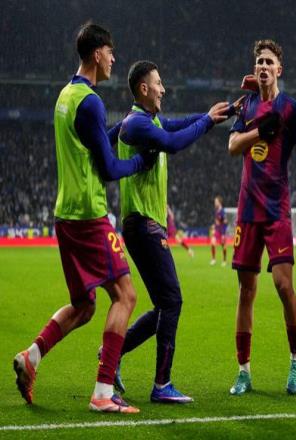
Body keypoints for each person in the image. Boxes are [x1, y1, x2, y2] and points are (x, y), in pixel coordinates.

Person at [14, 23, 155, 414]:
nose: (114, 59)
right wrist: (139, 162)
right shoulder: (91, 101)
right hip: (89, 215)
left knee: (84, 305)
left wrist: (117, 130)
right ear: (97, 53)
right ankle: (103, 391)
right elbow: (108, 168)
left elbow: (88, 143)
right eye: (110, 52)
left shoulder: (67, 95)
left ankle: (31, 356)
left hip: (65, 215)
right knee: (126, 295)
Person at [113, 60, 230, 403]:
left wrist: (210, 116)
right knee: (172, 301)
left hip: (144, 224)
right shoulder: (137, 123)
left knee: (164, 304)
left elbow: (178, 125)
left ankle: (113, 353)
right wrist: (207, 121)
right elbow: (174, 142)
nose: (163, 89)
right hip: (145, 224)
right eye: (159, 83)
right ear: (144, 88)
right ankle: (161, 384)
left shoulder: (148, 121)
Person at [228, 39, 296, 396]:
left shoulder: (290, 109)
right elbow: (233, 147)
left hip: (277, 211)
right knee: (246, 291)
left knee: (283, 286)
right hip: (248, 211)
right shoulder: (246, 105)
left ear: (279, 69)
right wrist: (258, 131)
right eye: (259, 61)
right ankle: (243, 371)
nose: (263, 66)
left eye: (269, 62)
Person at [210, 195, 228, 266]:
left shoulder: (222, 211)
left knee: (223, 245)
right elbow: (217, 222)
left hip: (222, 231)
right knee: (212, 243)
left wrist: (223, 233)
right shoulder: (217, 211)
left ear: (219, 202)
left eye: (216, 202)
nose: (215, 203)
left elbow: (225, 222)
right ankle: (213, 259)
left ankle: (224, 260)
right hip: (217, 230)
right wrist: (214, 226)